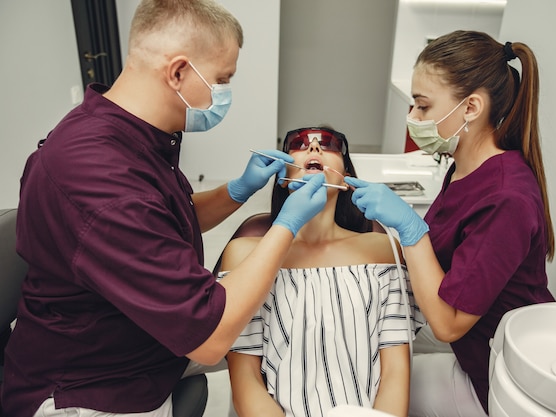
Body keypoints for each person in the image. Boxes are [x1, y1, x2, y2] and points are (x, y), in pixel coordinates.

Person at [1, 1, 328, 416]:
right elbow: (209, 337)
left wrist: (238, 190)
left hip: (140, 342)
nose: (225, 93)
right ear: (177, 72)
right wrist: (287, 225)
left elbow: (162, 218)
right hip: (91, 386)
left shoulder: (128, 133)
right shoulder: (99, 178)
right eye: (222, 80)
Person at [344, 30, 556, 416]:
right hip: (472, 345)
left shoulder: (506, 198)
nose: (412, 118)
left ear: (471, 107)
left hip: (497, 377)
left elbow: (447, 323)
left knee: (362, 389)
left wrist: (410, 227)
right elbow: (445, 254)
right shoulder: (465, 166)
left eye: (423, 107)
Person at [218, 126, 425, 417]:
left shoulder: (382, 251)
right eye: (299, 143)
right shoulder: (244, 255)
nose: (314, 148)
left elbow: (395, 373)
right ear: (281, 176)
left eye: (328, 144)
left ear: (346, 175)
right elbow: (246, 378)